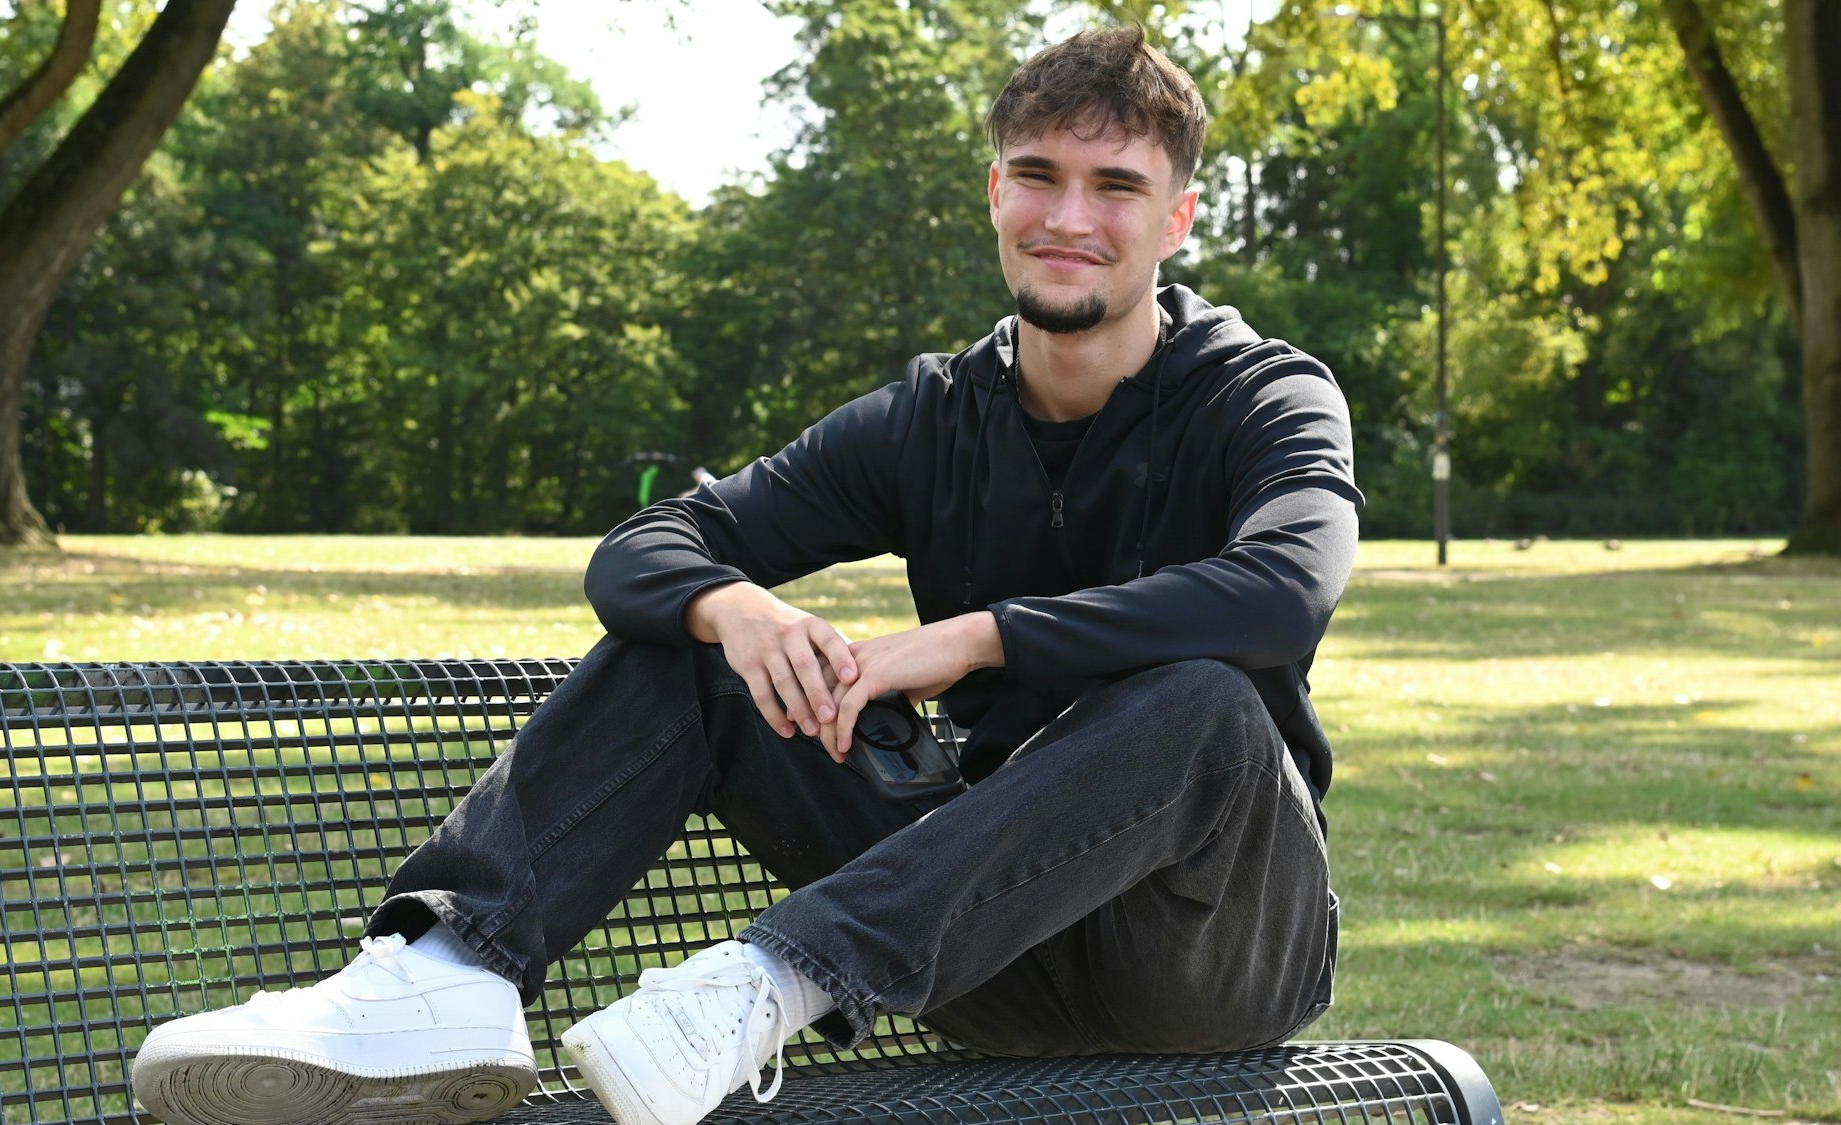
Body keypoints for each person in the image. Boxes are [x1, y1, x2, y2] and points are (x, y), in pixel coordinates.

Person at [130, 24, 1360, 1125]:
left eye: (1115, 187)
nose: (1068, 218)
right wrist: (737, 605)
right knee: (702, 644)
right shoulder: (933, 416)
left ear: (1177, 218)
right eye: (1037, 175)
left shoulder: (1262, 394)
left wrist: (974, 637)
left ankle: (766, 981)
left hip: (1211, 951)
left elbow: (1281, 588)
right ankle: (444, 978)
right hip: (983, 943)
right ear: (994, 192)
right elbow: (644, 549)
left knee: (1202, 702)